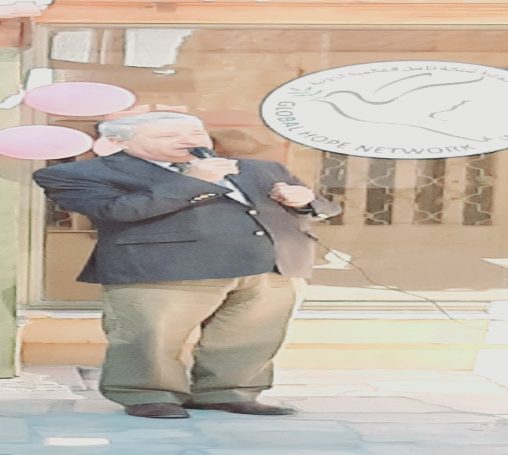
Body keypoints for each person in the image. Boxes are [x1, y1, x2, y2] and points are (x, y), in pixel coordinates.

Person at [32, 112, 341, 419]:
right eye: (169, 136)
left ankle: (228, 393)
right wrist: (191, 182)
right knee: (152, 337)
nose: (188, 141)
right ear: (117, 142)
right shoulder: (80, 174)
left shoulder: (260, 168)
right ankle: (148, 395)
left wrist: (305, 201)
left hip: (268, 264)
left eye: (196, 133)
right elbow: (116, 210)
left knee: (252, 336)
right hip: (164, 268)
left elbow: (322, 207)